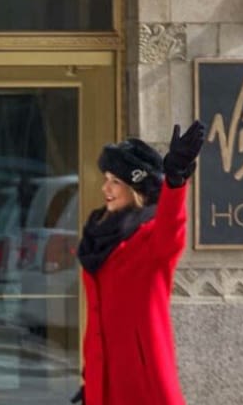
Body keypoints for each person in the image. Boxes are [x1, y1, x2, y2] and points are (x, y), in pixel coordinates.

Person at [73, 121, 206, 405]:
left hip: (142, 383)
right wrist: (90, 378)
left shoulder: (151, 240)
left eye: (116, 181)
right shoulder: (97, 236)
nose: (105, 187)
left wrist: (175, 180)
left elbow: (172, 224)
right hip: (103, 380)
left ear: (136, 189)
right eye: (106, 178)